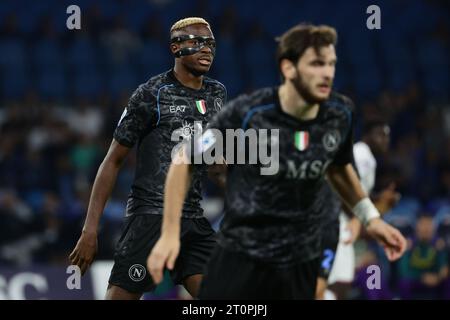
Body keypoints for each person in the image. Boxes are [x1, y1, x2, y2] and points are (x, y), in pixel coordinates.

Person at [147, 23, 406, 299]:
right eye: (317, 64)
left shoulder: (339, 115)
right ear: (288, 68)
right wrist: (170, 234)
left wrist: (371, 218)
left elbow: (339, 167)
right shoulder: (249, 116)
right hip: (242, 254)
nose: (327, 73)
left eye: (331, 64)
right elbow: (186, 159)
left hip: (300, 256)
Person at [69, 17, 227, 300]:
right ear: (176, 48)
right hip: (150, 217)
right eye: (197, 43)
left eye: (211, 44)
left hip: (192, 218)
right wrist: (90, 230)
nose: (207, 50)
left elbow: (215, 162)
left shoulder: (217, 94)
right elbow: (112, 161)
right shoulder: (150, 94)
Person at [317, 120, 400, 299]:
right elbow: (343, 191)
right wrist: (356, 219)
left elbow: (358, 194)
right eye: (380, 135)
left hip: (339, 223)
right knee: (338, 284)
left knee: (334, 284)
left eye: (387, 136)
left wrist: (380, 199)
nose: (385, 140)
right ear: (367, 136)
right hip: (339, 225)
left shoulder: (364, 156)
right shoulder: (363, 155)